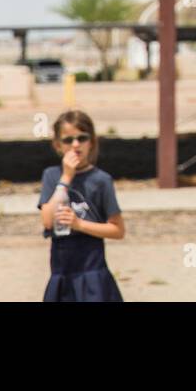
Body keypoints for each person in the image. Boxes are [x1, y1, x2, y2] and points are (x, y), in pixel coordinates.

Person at [36, 110, 125, 302]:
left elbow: (118, 230)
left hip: (92, 272)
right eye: (68, 140)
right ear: (58, 145)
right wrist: (66, 178)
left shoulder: (101, 180)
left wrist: (79, 225)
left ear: (91, 142)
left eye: (82, 138)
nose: (75, 145)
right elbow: (47, 221)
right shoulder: (52, 176)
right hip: (61, 272)